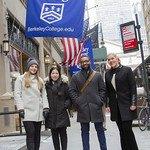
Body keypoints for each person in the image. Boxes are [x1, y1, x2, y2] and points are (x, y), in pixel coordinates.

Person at [69, 54, 107, 150]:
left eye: (86, 61)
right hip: (83, 108)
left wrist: (100, 101)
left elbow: (103, 90)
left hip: (96, 107)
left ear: (89, 61)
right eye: (82, 62)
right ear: (80, 63)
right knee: (84, 133)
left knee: (100, 131)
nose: (85, 63)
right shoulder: (75, 77)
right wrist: (77, 102)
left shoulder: (97, 75)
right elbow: (71, 91)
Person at [105, 53, 138, 150]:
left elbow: (133, 88)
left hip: (127, 105)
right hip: (115, 107)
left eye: (113, 58)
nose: (111, 60)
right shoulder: (107, 74)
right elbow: (108, 91)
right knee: (121, 131)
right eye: (109, 59)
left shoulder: (127, 70)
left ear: (117, 59)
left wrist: (133, 103)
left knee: (127, 130)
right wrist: (107, 104)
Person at [14, 58, 49, 150]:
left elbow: (44, 95)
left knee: (37, 135)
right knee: (30, 134)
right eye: (32, 66)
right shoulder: (20, 78)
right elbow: (17, 94)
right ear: (28, 67)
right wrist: (20, 108)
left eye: (36, 67)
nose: (34, 68)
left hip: (38, 111)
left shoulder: (40, 80)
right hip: (27, 111)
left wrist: (46, 108)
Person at [45, 66, 70, 150]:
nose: (54, 75)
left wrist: (65, 105)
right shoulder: (46, 86)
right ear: (50, 74)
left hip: (62, 113)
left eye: (56, 73)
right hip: (51, 114)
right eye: (53, 73)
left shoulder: (64, 85)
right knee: (54, 136)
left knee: (63, 135)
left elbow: (69, 98)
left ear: (59, 74)